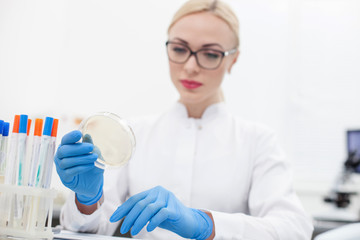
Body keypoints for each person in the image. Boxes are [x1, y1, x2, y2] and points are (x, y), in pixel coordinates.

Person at [55, 0, 314, 239]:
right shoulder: (134, 134)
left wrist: (206, 224)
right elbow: (94, 229)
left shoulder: (258, 141)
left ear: (233, 59)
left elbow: (295, 229)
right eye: (179, 49)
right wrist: (86, 201)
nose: (191, 66)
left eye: (210, 54)